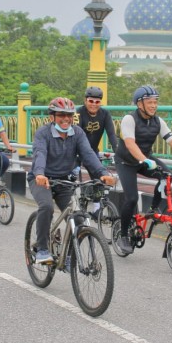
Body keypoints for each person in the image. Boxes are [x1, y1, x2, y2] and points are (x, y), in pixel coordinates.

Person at [28, 97, 115, 264]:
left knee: (79, 220)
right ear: (52, 117)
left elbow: (88, 154)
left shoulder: (77, 133)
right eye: (61, 115)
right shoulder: (43, 133)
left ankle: (68, 257)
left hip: (64, 181)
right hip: (42, 180)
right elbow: (40, 154)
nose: (66, 118)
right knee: (46, 207)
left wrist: (102, 173)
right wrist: (39, 173)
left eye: (69, 115)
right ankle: (42, 248)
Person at [114, 85, 172, 255]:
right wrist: (144, 160)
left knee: (167, 177)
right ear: (139, 104)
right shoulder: (129, 119)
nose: (153, 105)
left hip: (145, 159)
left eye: (155, 102)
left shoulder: (158, 121)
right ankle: (124, 235)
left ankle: (153, 209)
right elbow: (130, 144)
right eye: (149, 102)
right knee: (132, 198)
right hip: (126, 162)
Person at [76, 86, 118, 215]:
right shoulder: (78, 113)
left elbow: (111, 134)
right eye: (91, 101)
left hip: (92, 151)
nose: (94, 104)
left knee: (98, 178)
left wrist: (118, 151)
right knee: (73, 177)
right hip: (76, 150)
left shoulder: (105, 114)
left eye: (97, 102)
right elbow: (76, 134)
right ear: (85, 100)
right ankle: (74, 204)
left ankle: (96, 209)